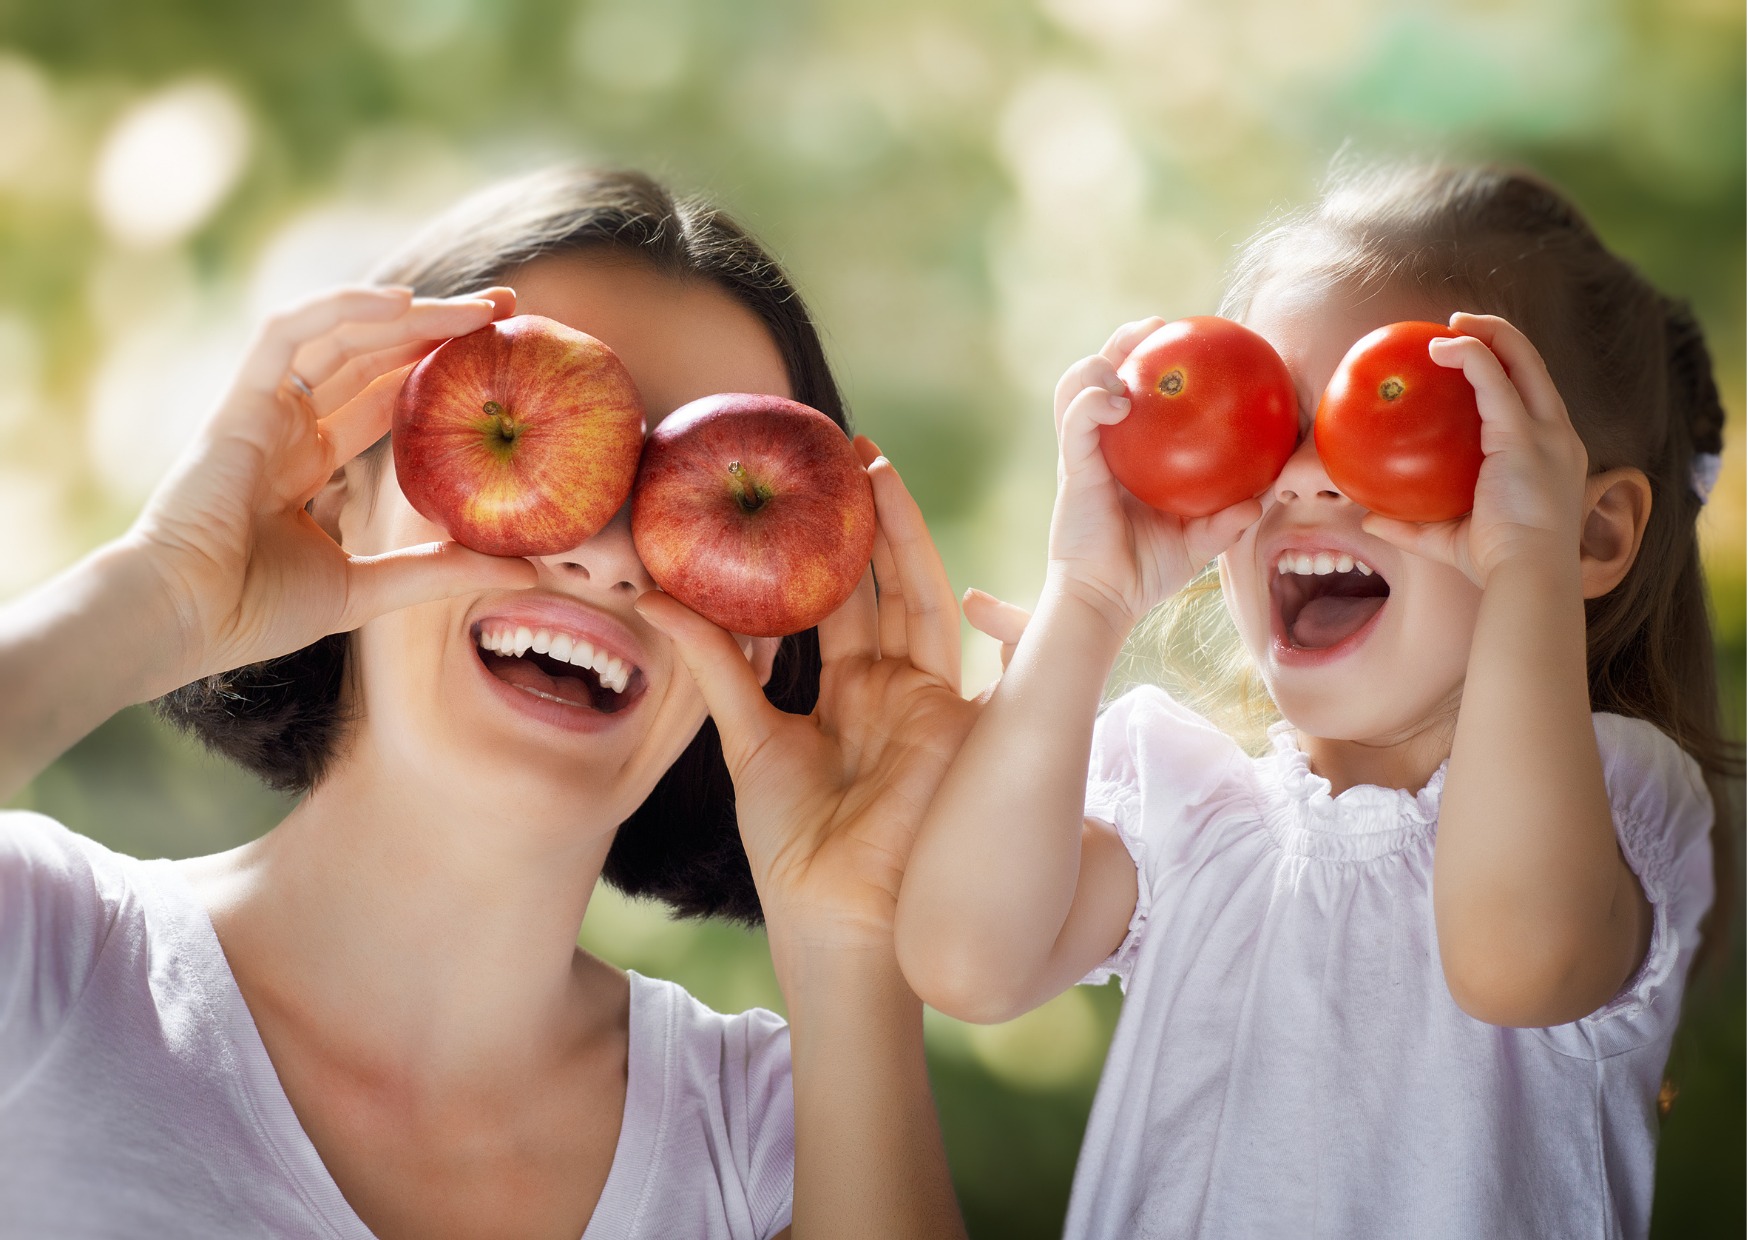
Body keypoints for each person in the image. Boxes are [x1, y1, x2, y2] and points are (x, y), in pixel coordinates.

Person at [0, 166, 971, 1239]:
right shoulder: (44, 955)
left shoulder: (784, 1140)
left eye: (706, 498)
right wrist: (159, 597)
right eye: (535, 432)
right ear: (333, 491)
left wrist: (852, 941)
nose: (606, 557)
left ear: (766, 636)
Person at [895, 163, 1737, 1239]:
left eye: (1392, 425)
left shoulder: (1612, 808)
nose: (1302, 477)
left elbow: (1513, 956)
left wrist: (1525, 562)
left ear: (1590, 533)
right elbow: (963, 960)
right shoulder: (1188, 822)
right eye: (1266, 424)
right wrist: (1087, 599)